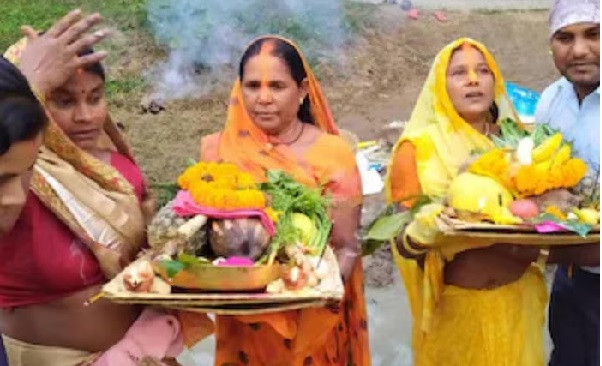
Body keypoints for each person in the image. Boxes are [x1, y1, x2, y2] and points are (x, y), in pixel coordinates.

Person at [385, 38, 599, 366]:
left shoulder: (519, 145)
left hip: (520, 306)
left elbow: (540, 218)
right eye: (459, 73)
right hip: (459, 313)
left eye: (483, 71)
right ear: (440, 87)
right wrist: (430, 225)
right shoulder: (418, 149)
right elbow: (402, 244)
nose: (473, 79)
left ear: (495, 81)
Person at [0, 11, 183, 366]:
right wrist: (26, 82)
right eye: (64, 101)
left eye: (95, 98)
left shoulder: (117, 172)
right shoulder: (25, 174)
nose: (85, 116)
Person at [199, 35, 371, 365]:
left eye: (277, 86)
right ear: (239, 89)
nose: (263, 98)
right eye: (252, 86)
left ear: (303, 89)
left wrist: (313, 293)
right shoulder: (219, 152)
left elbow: (347, 246)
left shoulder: (331, 154)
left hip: (312, 327)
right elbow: (206, 240)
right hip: (244, 326)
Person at [535, 1, 600, 365]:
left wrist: (522, 255)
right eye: (565, 37)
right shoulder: (551, 100)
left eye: (594, 34)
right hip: (570, 276)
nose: (578, 50)